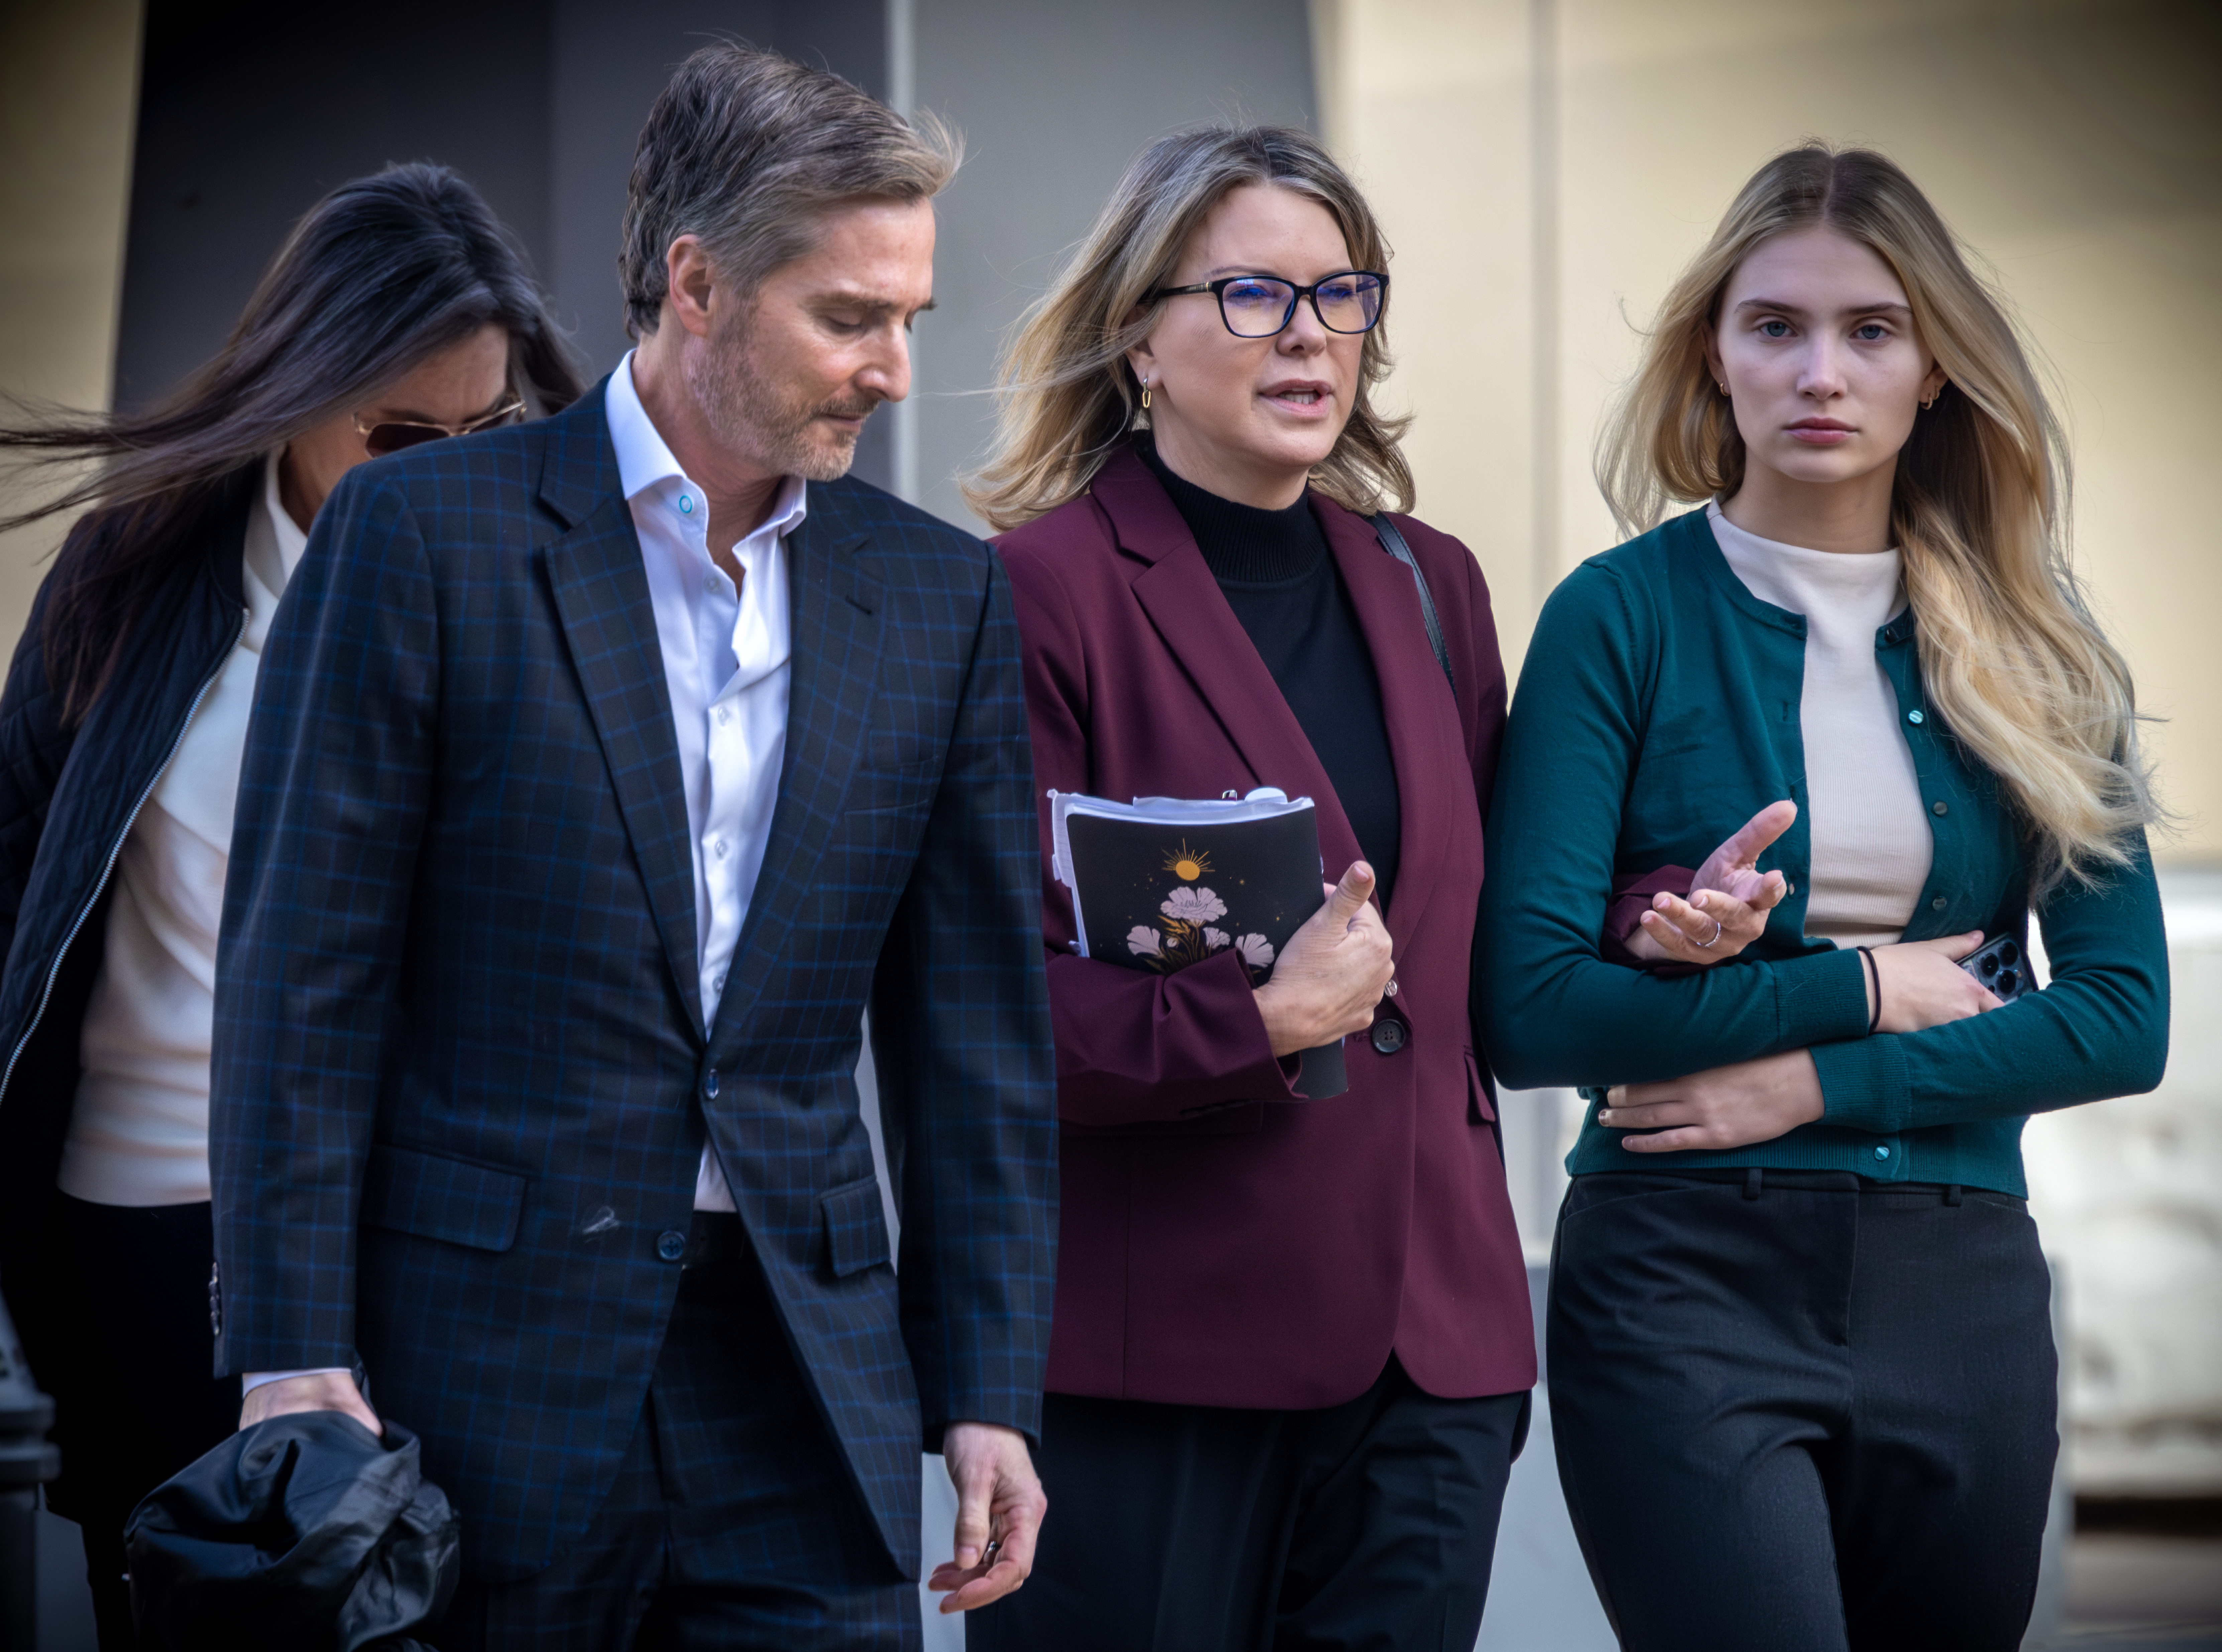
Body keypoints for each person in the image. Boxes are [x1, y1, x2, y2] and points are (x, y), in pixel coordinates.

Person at [207, 43, 1056, 1649]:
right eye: (847, 317)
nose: (891, 370)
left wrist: (989, 1386)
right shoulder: (423, 537)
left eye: (908, 322)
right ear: (696, 283)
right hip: (480, 1372)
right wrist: (289, 1344)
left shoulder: (942, 597)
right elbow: (302, 974)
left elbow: (975, 1037)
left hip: (809, 1380)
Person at [960, 123, 1768, 1651]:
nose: (1311, 336)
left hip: (1431, 1359)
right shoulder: (1036, 593)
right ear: (1139, 331)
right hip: (1164, 1362)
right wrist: (1253, 1018)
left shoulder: (1431, 580)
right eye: (1257, 295)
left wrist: (1659, 916)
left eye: (1342, 296)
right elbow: (990, 1009)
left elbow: (1510, 893)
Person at [1478, 143, 2170, 1651]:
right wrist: (1861, 983)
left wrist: (1798, 1079)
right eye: (1774, 327)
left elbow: (2122, 1023)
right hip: (1678, 1275)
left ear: (1936, 371)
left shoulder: (2048, 655)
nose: (1821, 373)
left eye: (1872, 330)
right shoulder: (1618, 616)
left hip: (1959, 1277)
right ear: (1713, 358)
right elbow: (1529, 1013)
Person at [0, 162, 580, 1650]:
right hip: (145, 1236)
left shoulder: (558, 588)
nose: (446, 471)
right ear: (296, 395)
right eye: (397, 436)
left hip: (424, 1237)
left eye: (488, 431)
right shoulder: (132, 573)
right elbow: (18, 890)